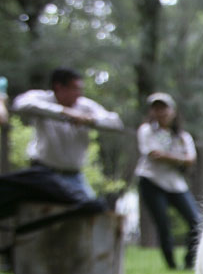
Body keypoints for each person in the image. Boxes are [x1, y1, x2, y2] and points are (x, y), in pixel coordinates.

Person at [0, 68, 122, 219]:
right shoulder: (42, 98)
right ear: (59, 87)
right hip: (43, 173)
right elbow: (21, 103)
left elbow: (115, 122)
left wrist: (92, 120)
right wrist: (62, 111)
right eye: (75, 88)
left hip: (74, 176)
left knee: (93, 211)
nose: (79, 93)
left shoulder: (85, 106)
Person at [135, 92, 201, 270]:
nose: (160, 112)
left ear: (173, 111)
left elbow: (191, 159)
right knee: (163, 224)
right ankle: (171, 265)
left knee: (196, 222)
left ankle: (189, 263)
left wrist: (168, 156)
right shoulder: (146, 131)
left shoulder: (182, 136)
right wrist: (179, 158)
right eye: (156, 108)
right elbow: (153, 154)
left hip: (176, 183)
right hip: (151, 180)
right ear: (151, 112)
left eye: (163, 108)